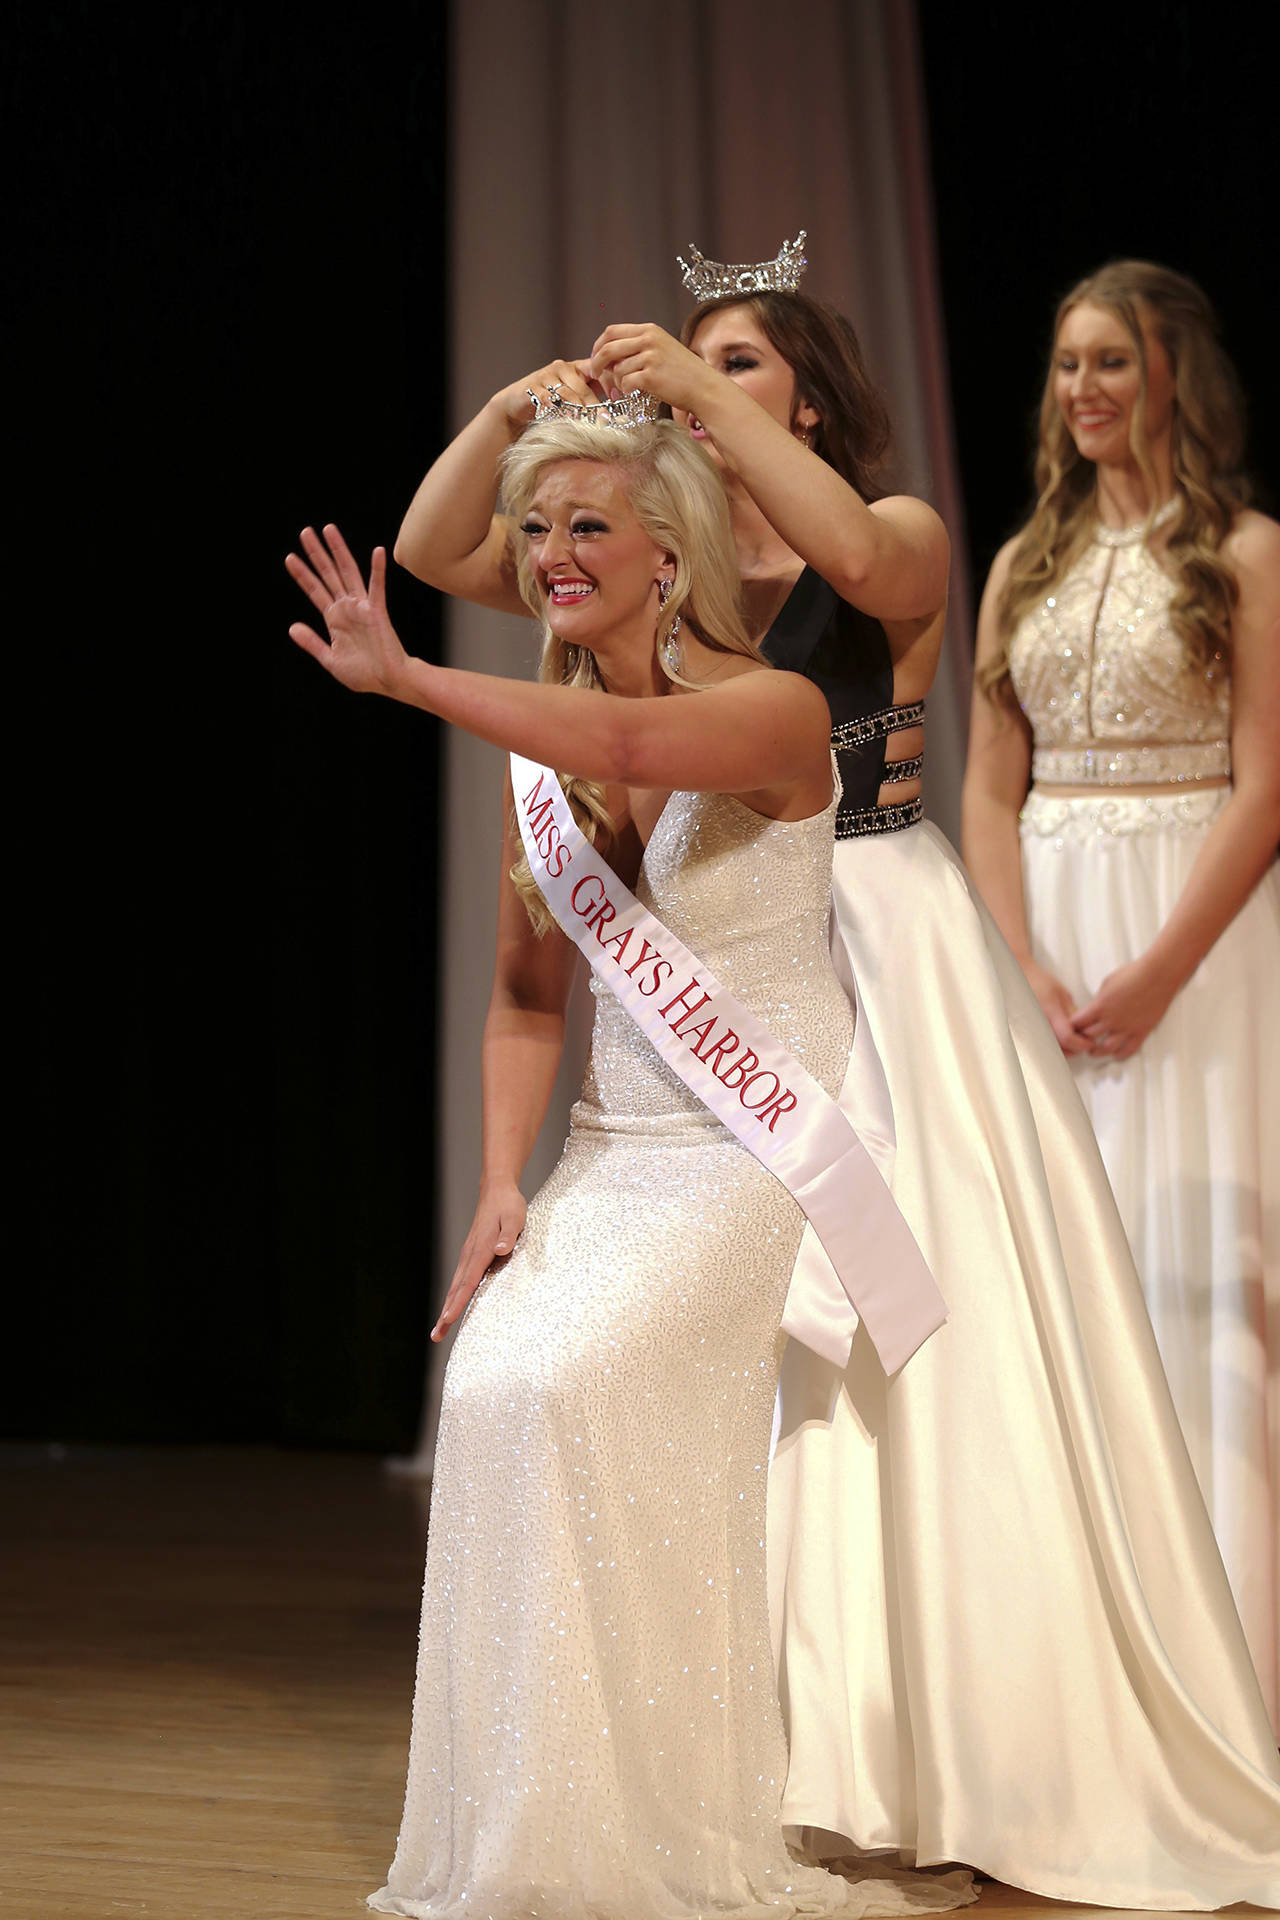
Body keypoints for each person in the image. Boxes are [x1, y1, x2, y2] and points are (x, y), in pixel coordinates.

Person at [392, 246, 1280, 1909]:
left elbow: (867, 558)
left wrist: (698, 383)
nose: (689, 379)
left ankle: (942, 1738)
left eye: (736, 360)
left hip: (874, 939)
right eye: (686, 357)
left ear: (801, 390)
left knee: (909, 1361)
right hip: (727, 945)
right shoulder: (668, 554)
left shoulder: (901, 536)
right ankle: (742, 1743)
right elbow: (447, 550)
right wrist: (538, 402)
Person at [287, 414, 977, 1920]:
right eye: (536, 532)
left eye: (589, 529)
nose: (551, 560)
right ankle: (543, 1831)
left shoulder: (778, 709)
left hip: (753, 1154)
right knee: (491, 1383)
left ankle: (673, 1820)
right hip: (611, 1156)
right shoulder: (545, 772)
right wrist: (497, 1185)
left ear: (673, 556)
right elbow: (528, 996)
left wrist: (405, 677)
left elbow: (624, 738)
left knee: (572, 1380)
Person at [962, 259, 1280, 1735]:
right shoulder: (1022, 560)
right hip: (1047, 939)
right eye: (1069, 363)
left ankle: (1219, 1680)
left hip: (1192, 936)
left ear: (1171, 379)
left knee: (1193, 1278)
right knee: (1068, 1294)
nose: (1084, 390)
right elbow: (983, 784)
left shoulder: (1251, 553)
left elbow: (1268, 783)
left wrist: (1157, 974)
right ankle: (1080, 1685)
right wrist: (1016, 960)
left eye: (1113, 363)